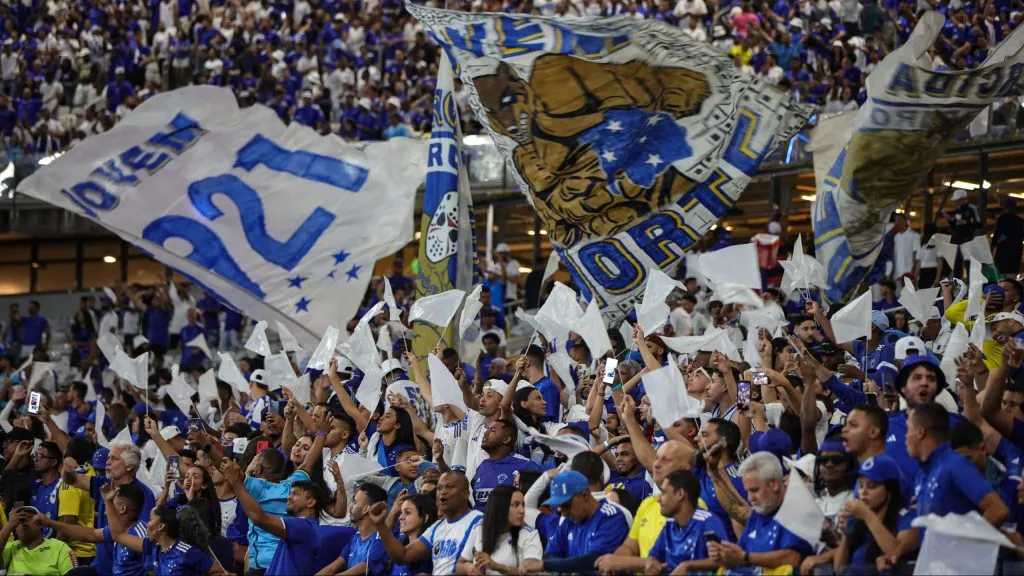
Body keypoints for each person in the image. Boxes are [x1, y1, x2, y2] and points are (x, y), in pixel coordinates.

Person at [708, 452, 813, 573]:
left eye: (754, 490)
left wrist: (745, 557)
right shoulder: (757, 515)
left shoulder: (798, 511)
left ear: (774, 484)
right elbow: (740, 554)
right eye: (747, 491)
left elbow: (793, 558)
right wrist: (726, 555)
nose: (750, 498)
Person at [61, 442, 155, 576]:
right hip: (100, 568)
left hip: (125, 570)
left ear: (129, 466)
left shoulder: (142, 494)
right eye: (108, 457)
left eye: (114, 459)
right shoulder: (104, 484)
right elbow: (72, 480)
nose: (108, 462)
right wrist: (66, 468)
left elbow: (142, 536)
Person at [222, 457, 324, 576]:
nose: (289, 497)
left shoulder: (304, 526)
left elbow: (259, 518)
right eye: (290, 493)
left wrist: (235, 481)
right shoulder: (301, 525)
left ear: (311, 502)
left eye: (295, 494)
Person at [378, 471, 483, 574]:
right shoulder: (437, 527)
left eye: (449, 487)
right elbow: (403, 556)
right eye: (439, 488)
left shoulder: (478, 521)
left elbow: (478, 569)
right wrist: (380, 524)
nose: (443, 492)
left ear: (466, 494)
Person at [101, 485, 219, 576]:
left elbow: (218, 572)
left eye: (151, 519)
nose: (147, 524)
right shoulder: (153, 547)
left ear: (161, 526)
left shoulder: (187, 552)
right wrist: (108, 502)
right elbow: (118, 535)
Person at [37, 483, 149, 576]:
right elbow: (91, 535)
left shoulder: (140, 534)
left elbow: (153, 570)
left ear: (123, 508)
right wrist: (50, 523)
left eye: (111, 502)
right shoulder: (117, 529)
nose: (105, 509)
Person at [832, 454, 910, 572]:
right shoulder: (858, 519)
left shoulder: (905, 517)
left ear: (890, 490)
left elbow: (895, 554)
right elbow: (838, 569)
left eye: (872, 486)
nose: (863, 492)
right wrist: (846, 534)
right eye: (861, 485)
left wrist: (867, 516)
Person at [542, 470, 630, 572]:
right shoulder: (569, 520)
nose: (561, 511)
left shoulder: (611, 517)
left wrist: (545, 566)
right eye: (557, 505)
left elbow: (593, 561)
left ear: (585, 495)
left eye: (565, 504)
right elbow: (550, 554)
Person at [645, 469, 729, 576]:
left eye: (664, 493)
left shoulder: (707, 521)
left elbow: (724, 558)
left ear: (680, 494)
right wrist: (652, 563)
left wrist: (687, 566)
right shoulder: (670, 524)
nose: (659, 499)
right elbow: (653, 555)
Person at [457, 485, 543, 575]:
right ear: (500, 507)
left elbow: (532, 573)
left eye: (523, 505)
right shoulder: (479, 529)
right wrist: (467, 568)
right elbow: (460, 564)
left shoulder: (530, 535)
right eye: (515, 505)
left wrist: (497, 567)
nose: (522, 510)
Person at [315, 484, 387, 575]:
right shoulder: (356, 537)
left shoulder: (381, 539)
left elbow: (363, 567)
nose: (350, 506)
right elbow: (333, 567)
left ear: (365, 509)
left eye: (355, 502)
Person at [471, 419, 539, 511]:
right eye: (487, 429)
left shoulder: (526, 466)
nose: (485, 433)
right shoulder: (482, 466)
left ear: (506, 439)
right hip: (479, 523)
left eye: (492, 430)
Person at [0, 506, 76, 575]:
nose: (24, 521)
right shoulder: (11, 548)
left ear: (40, 524)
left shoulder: (59, 547)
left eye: (29, 517)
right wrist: (9, 526)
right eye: (20, 520)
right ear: (15, 528)